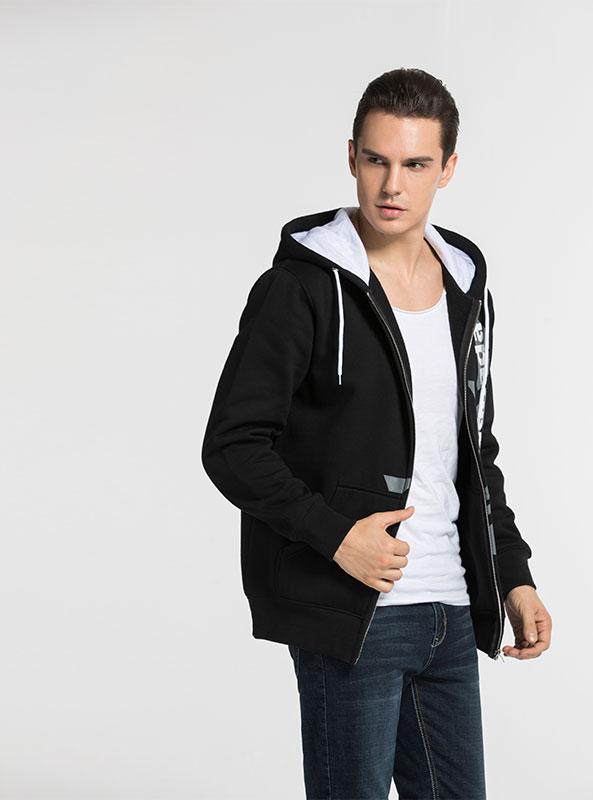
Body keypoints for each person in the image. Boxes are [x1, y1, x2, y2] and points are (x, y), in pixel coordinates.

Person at [201, 67, 552, 800]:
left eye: (416, 164)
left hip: (452, 609)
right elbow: (232, 445)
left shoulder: (466, 292)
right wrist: (336, 537)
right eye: (376, 160)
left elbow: (472, 454)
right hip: (354, 613)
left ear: (447, 169)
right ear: (351, 157)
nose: (392, 185)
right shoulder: (300, 289)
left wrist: (512, 574)